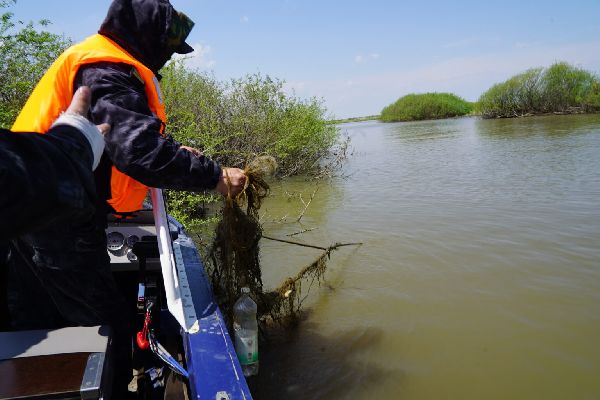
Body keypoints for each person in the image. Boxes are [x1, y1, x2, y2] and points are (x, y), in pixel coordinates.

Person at [5, 0, 246, 393]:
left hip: (30, 210)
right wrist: (215, 175)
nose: (168, 57)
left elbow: (115, 139)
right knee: (106, 328)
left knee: (35, 318)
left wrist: (176, 151)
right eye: (168, 47)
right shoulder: (108, 70)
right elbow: (139, 152)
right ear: (149, 37)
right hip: (60, 219)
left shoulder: (98, 60)